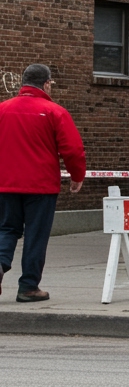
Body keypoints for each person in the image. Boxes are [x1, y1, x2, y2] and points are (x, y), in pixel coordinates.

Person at [0, 65, 86, 302]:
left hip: (5, 184)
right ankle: (28, 287)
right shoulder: (54, 112)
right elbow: (73, 149)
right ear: (46, 83)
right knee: (36, 235)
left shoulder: (2, 110)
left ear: (22, 83)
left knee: (6, 228)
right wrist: (77, 175)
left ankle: (0, 262)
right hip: (41, 185)